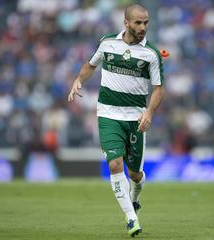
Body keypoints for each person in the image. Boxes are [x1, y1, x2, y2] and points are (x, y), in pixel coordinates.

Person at [67, 4, 164, 237]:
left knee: (135, 175)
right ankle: (131, 218)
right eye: (138, 22)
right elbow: (90, 65)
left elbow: (158, 89)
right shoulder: (107, 42)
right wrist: (77, 80)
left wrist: (149, 112)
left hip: (135, 118)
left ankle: (136, 194)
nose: (143, 27)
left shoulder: (151, 53)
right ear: (126, 23)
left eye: (146, 22)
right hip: (108, 114)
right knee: (114, 164)